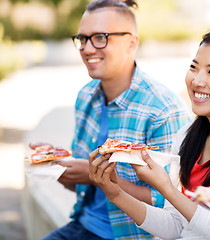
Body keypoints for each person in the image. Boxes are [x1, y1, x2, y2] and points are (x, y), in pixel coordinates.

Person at [89, 23, 210, 239]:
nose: (197, 81)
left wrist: (166, 188)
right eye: (194, 67)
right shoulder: (187, 135)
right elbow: (175, 226)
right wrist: (114, 193)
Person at [42, 0, 192, 239]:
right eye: (82, 39)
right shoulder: (86, 96)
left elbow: (174, 203)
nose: (88, 49)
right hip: (82, 225)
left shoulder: (163, 110)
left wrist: (98, 178)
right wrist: (55, 164)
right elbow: (82, 187)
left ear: (132, 43)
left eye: (100, 37)